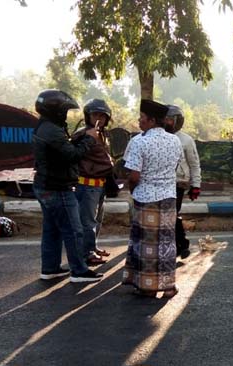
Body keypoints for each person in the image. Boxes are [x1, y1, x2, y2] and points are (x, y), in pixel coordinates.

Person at [32, 89, 103, 283]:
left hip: (45, 185)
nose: (65, 114)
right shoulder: (52, 131)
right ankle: (79, 271)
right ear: (55, 110)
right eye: (64, 110)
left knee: (52, 230)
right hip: (57, 187)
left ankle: (50, 268)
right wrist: (89, 139)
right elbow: (72, 155)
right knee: (74, 230)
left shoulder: (45, 126)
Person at [122, 99, 183, 298]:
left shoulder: (139, 141)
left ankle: (147, 287)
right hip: (168, 199)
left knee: (147, 245)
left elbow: (133, 176)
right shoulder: (175, 140)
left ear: (151, 120)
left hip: (146, 198)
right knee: (166, 244)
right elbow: (174, 168)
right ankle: (168, 287)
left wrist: (133, 189)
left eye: (142, 118)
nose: (139, 122)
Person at [72, 99, 114, 266]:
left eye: (103, 116)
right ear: (87, 116)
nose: (99, 119)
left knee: (97, 219)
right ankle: (87, 253)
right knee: (87, 221)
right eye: (95, 115)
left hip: (99, 184)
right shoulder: (82, 135)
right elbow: (73, 155)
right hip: (87, 184)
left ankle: (92, 247)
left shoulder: (102, 134)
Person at [164, 105, 201, 259]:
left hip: (178, 183)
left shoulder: (186, 140)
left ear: (178, 121)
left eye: (171, 119)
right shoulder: (160, 137)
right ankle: (181, 244)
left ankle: (181, 244)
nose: (168, 122)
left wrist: (195, 185)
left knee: (172, 213)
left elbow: (194, 163)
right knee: (168, 215)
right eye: (165, 119)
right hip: (162, 182)